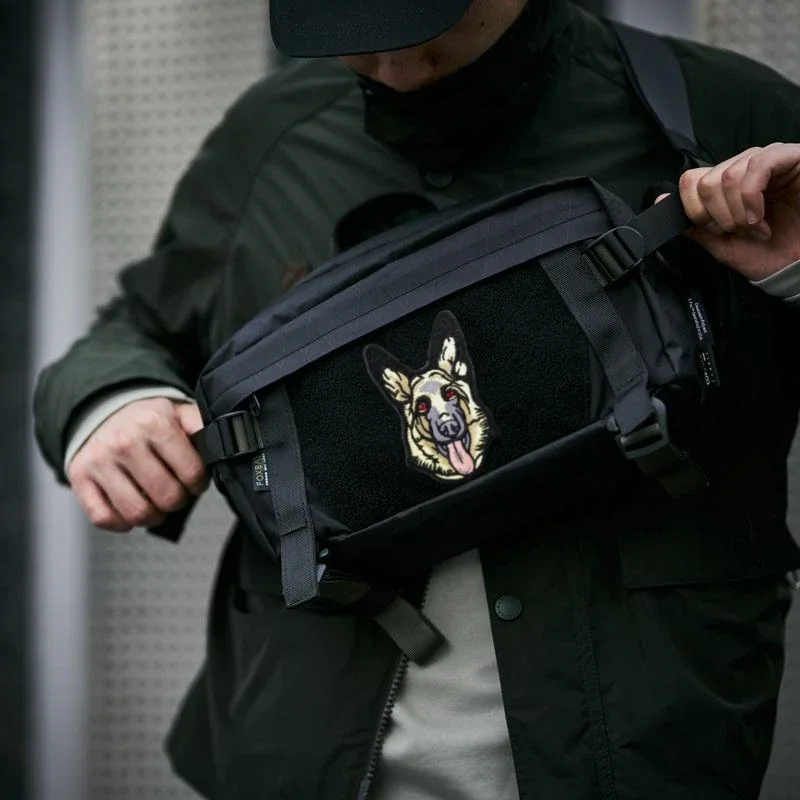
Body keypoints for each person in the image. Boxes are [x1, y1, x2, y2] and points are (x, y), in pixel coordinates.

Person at [33, 1, 800, 798]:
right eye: (354, 37)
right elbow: (140, 325)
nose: (396, 70)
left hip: (644, 758)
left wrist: (794, 270)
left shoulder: (720, 113)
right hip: (299, 756)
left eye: (428, 23)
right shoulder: (273, 133)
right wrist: (113, 401)